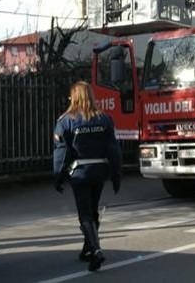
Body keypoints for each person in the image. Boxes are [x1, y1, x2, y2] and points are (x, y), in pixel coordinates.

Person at [52, 81, 122, 272]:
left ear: (73, 97)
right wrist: (116, 176)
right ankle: (87, 248)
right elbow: (114, 150)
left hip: (80, 173)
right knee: (93, 210)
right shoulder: (105, 119)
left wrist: (58, 177)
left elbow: (62, 152)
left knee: (85, 213)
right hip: (100, 172)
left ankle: (96, 251)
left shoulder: (66, 121)